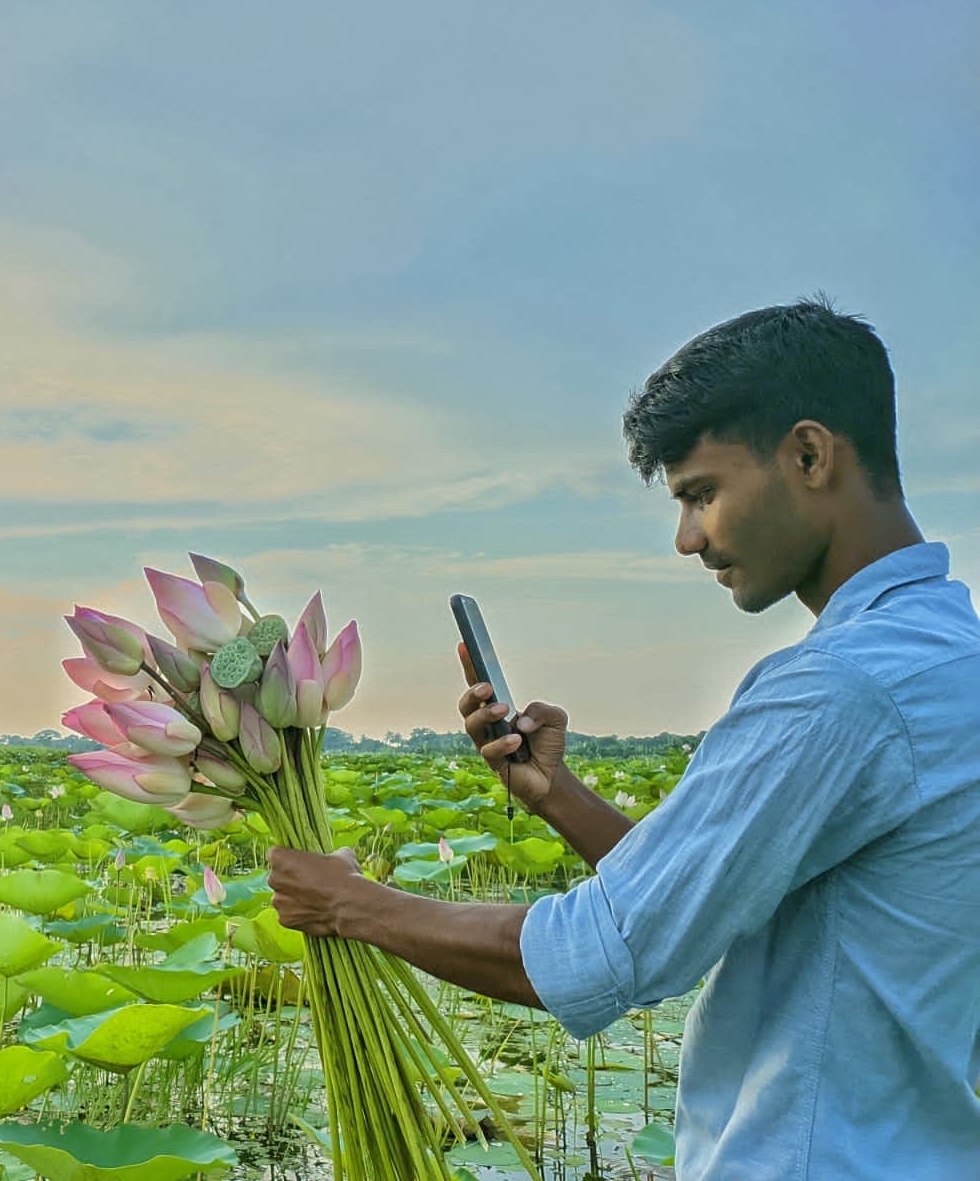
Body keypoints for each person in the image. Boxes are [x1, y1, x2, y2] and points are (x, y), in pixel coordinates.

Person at [266, 298, 980, 1180]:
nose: (688, 539)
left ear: (809, 455)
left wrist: (348, 904)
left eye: (702, 494)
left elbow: (601, 954)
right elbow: (707, 895)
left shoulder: (839, 688)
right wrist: (557, 797)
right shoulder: (950, 658)